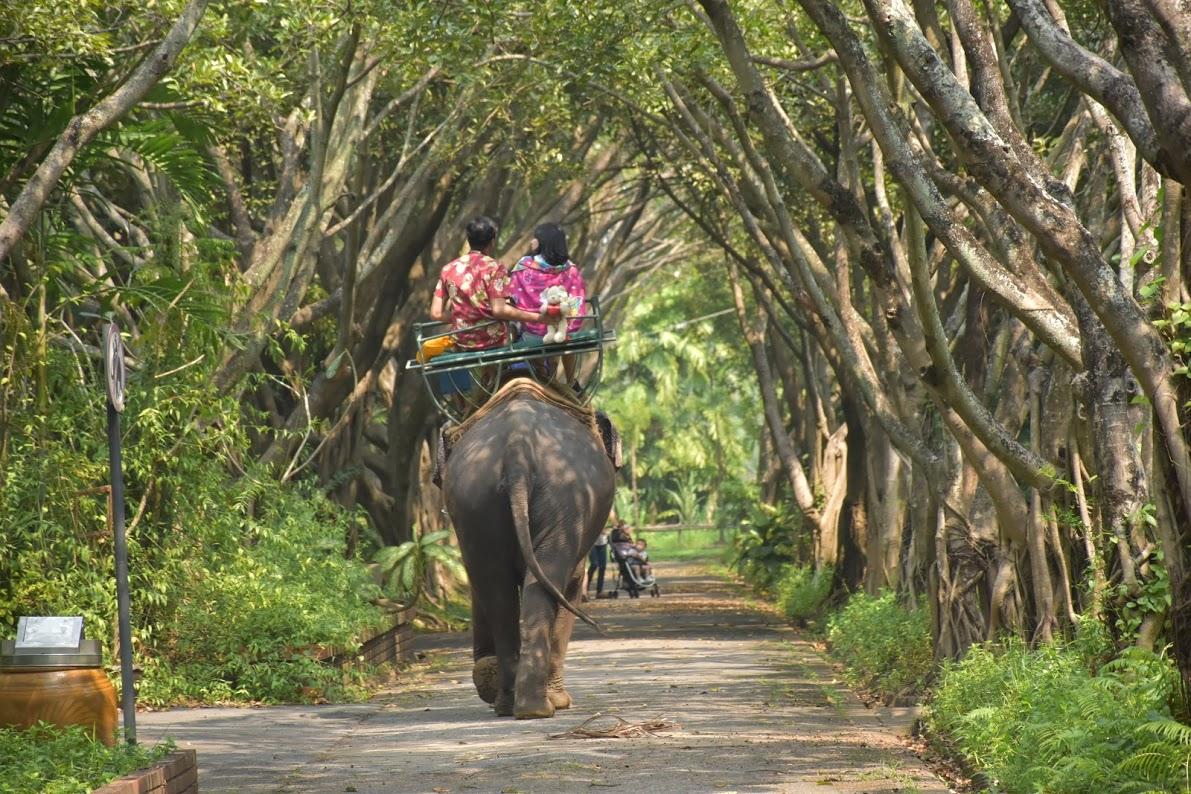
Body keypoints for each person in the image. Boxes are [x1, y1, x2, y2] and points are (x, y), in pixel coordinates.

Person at [430, 216, 545, 350]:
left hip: (462, 343)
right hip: (494, 341)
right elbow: (499, 310)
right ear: (492, 242)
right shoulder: (495, 268)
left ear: (469, 240)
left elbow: (436, 313)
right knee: (522, 331)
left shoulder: (448, 269)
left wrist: (465, 320)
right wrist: (539, 318)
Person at [507, 222, 587, 382]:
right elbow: (577, 306)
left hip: (531, 334)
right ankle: (571, 382)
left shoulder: (523, 266)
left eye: (534, 238)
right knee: (568, 340)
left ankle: (543, 377)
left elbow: (512, 298)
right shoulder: (572, 270)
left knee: (532, 344)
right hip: (563, 334)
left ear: (541, 242)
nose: (531, 241)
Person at [585, 526, 610, 599]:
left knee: (602, 566)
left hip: (603, 543)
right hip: (592, 543)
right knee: (594, 565)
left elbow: (614, 524)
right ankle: (585, 590)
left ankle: (599, 591)